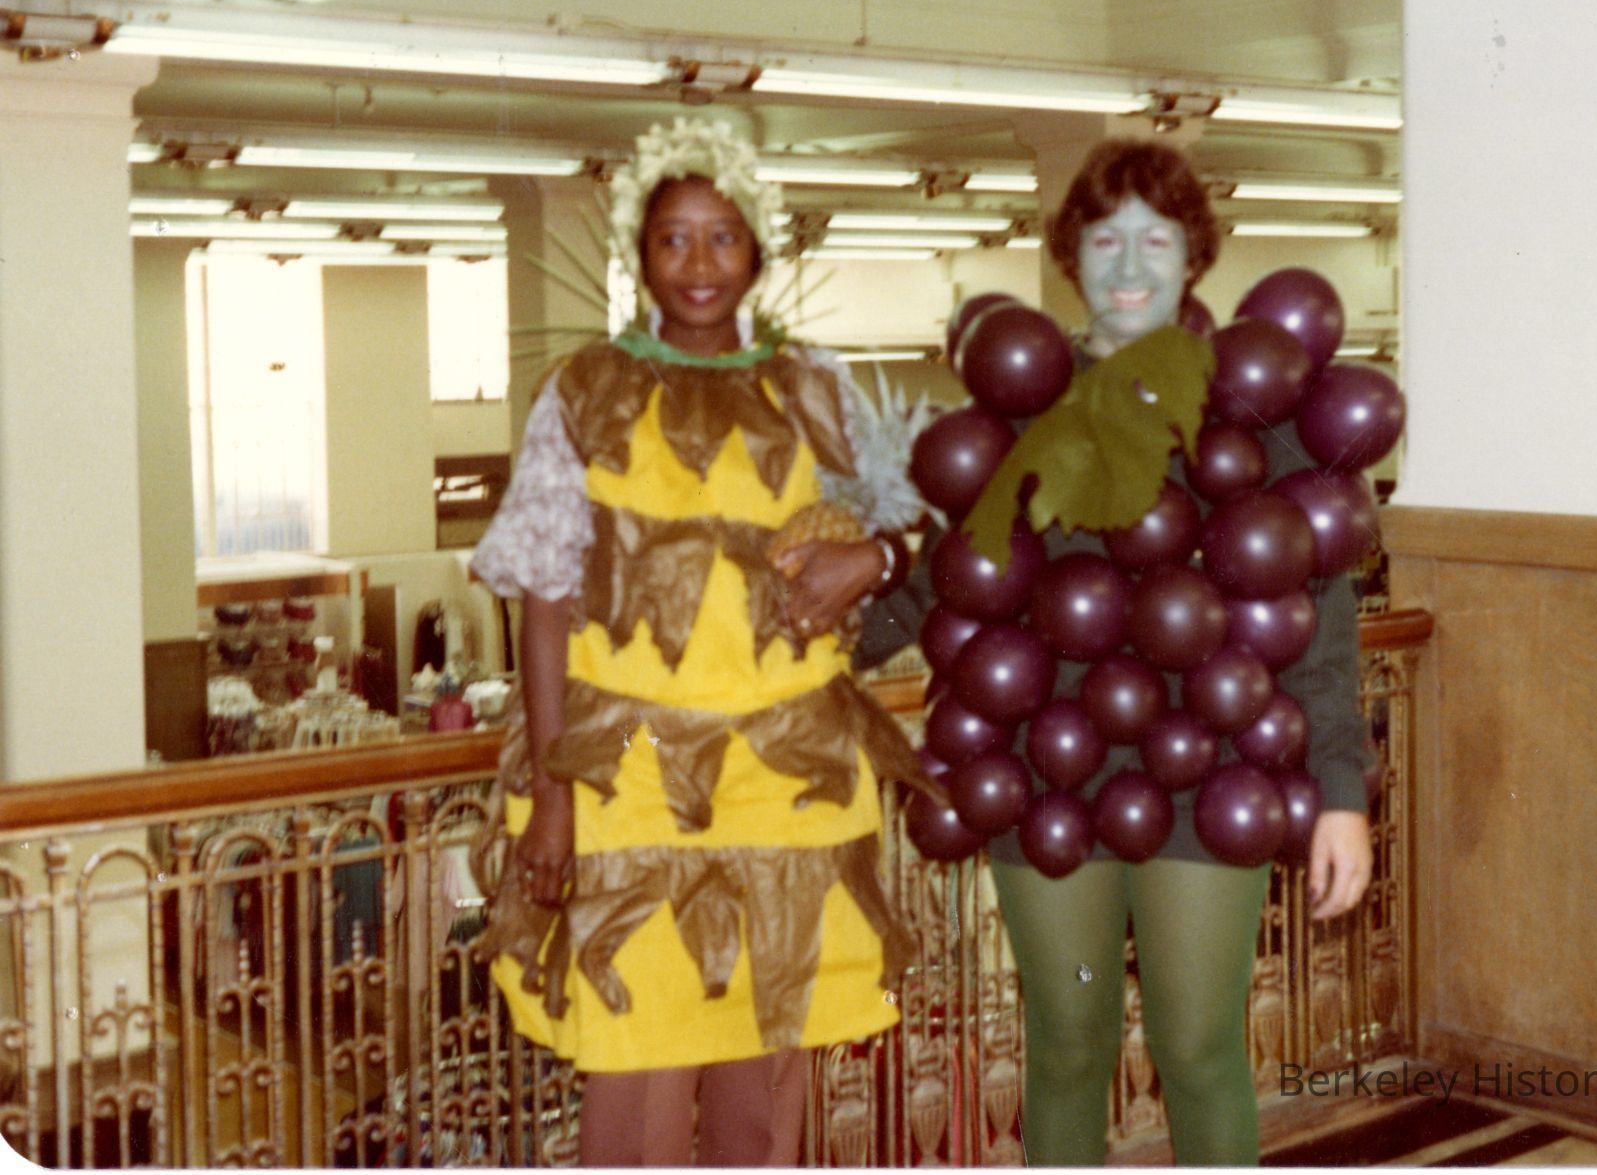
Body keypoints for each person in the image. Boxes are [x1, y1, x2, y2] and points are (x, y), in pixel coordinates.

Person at [858, 138, 1374, 1166]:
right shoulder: (1020, 402)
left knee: (1198, 1049)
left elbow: (1316, 620)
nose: (1128, 265)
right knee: (1065, 1048)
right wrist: (808, 637)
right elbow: (945, 577)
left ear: (1194, 255)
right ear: (1069, 256)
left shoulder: (1251, 409)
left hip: (1210, 770)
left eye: (1155, 239)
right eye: (1104, 240)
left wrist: (1340, 792)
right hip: (1043, 766)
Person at [469, 119, 925, 1166]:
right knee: (636, 1046)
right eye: (673, 238)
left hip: (786, 773)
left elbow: (916, 519)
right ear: (639, 254)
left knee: (769, 1049)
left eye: (722, 236)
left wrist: (868, 560)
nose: (699, 262)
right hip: (630, 768)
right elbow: (543, 593)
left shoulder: (815, 386)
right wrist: (553, 794)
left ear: (757, 251)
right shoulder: (583, 392)